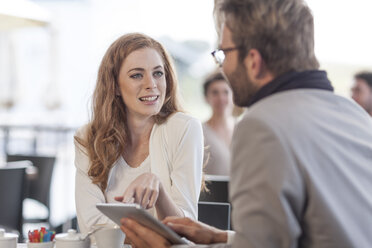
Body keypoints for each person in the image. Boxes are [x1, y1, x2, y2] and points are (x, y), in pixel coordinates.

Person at [119, 0, 372, 247]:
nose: (223, 66)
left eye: (224, 54)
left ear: (253, 61)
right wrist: (224, 237)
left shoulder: (263, 124)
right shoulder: (354, 114)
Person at [74, 33, 204, 234]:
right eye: (137, 75)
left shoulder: (185, 129)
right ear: (115, 85)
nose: (151, 84)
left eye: (158, 73)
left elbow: (184, 228)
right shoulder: (88, 137)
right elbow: (90, 226)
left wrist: (159, 191)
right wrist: (151, 232)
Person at [202, 71, 235, 176]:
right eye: (215, 93)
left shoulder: (244, 128)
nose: (221, 98)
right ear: (206, 98)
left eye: (226, 92)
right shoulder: (200, 132)